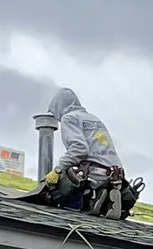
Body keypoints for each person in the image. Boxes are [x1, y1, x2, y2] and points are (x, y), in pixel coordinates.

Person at [41, 87, 142, 220]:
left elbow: (79, 149)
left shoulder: (69, 118)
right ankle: (104, 199)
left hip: (94, 174)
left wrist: (58, 169)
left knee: (54, 196)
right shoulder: (93, 118)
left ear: (59, 107)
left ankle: (89, 202)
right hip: (116, 176)